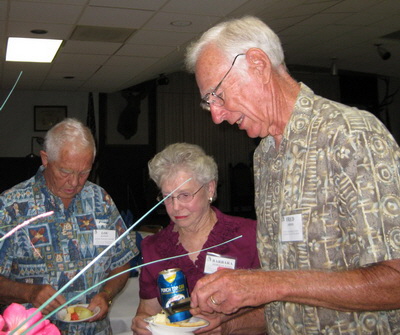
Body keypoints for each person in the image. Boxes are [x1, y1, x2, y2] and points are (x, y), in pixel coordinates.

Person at [185, 15, 400, 334]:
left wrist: (267, 283)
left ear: (257, 63)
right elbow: (291, 301)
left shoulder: (350, 135)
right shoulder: (265, 155)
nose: (216, 116)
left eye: (217, 94)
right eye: (208, 103)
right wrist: (227, 325)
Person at [0, 118, 139, 335]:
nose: (74, 183)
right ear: (45, 159)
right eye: (65, 171)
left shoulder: (100, 200)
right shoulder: (12, 207)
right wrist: (29, 292)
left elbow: (121, 262)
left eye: (84, 172)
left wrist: (107, 295)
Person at [131, 143, 265, 335]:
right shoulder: (154, 247)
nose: (175, 207)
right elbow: (147, 311)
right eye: (167, 197)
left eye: (185, 195)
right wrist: (141, 324)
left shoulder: (248, 236)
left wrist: (228, 327)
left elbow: (275, 310)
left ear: (210, 189)